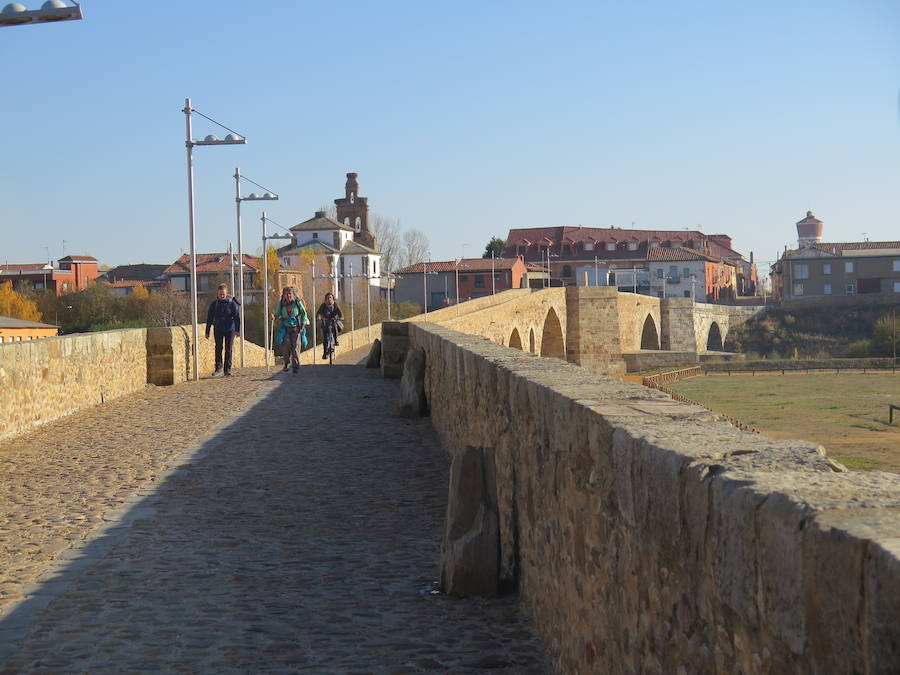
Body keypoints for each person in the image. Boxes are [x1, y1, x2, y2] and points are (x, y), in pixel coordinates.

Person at [205, 283, 240, 377]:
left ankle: (227, 369)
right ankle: (218, 368)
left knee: (228, 349)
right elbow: (209, 318)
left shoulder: (232, 303)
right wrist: (207, 331)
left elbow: (237, 317)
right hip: (218, 327)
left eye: (223, 294)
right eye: (220, 294)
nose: (222, 296)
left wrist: (237, 330)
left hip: (230, 328)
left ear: (226, 293)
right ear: (218, 294)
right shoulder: (214, 304)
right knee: (218, 348)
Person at [271, 286, 309, 373]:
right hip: (286, 328)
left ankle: (295, 365)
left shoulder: (297, 302)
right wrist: (274, 317)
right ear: (284, 295)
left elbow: (303, 313)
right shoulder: (282, 304)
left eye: (290, 294)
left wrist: (302, 325)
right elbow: (277, 313)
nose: (288, 295)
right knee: (286, 345)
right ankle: (287, 363)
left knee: (295, 346)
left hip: (296, 328)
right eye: (286, 294)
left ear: (293, 294)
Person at [316, 292, 343, 360]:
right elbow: (319, 313)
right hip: (325, 322)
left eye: (330, 298)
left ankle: (336, 340)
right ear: (325, 300)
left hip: (333, 321)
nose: (329, 299)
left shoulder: (335, 306)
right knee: (325, 337)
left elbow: (341, 315)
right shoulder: (323, 306)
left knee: (335, 326)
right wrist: (319, 317)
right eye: (327, 298)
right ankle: (325, 353)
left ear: (333, 299)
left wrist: (340, 318)